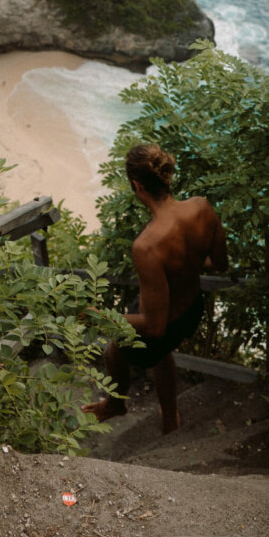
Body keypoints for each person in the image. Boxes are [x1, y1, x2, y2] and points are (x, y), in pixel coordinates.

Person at [83, 141, 227, 433]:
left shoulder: (147, 245)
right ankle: (170, 418)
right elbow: (219, 263)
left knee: (115, 349)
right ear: (166, 175)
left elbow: (155, 327)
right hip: (192, 310)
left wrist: (98, 316)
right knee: (162, 353)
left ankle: (116, 404)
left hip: (166, 324)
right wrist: (189, 261)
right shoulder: (202, 207)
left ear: (137, 185)